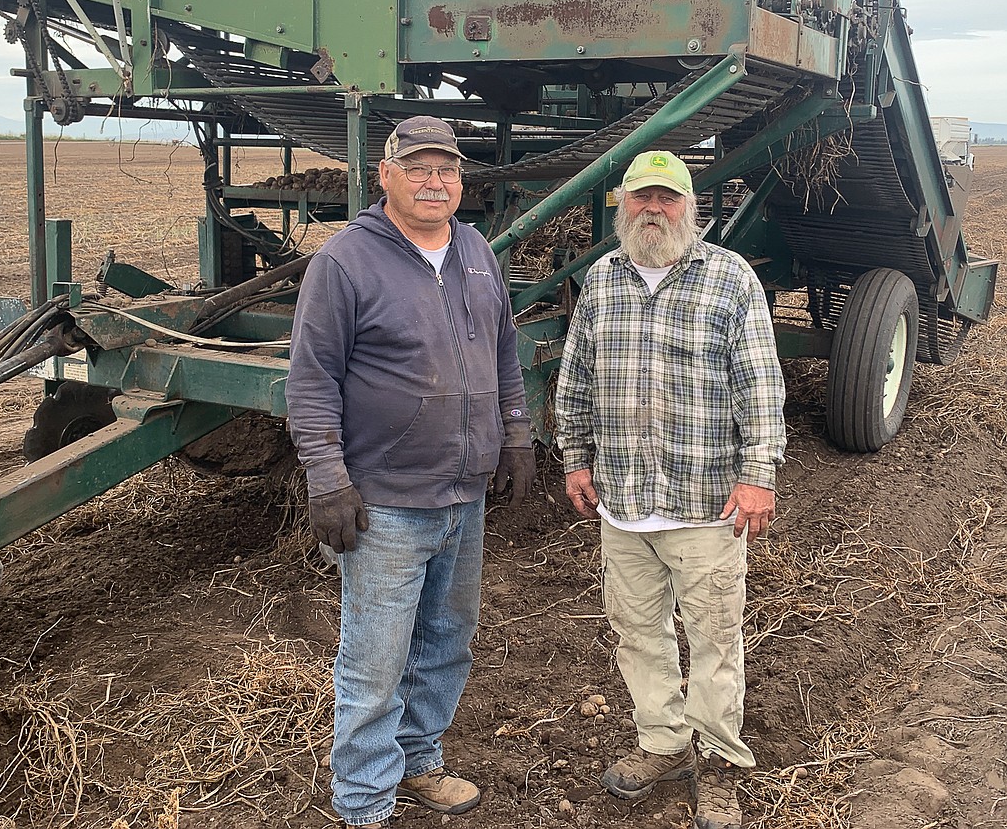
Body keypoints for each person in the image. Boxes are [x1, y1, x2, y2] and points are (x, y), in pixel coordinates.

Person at [286, 114, 537, 829]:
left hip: (464, 495)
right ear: (385, 175)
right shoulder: (345, 261)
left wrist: (516, 436)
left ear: (461, 182)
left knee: (446, 642)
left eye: (447, 169)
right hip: (387, 502)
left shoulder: (478, 252)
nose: (435, 181)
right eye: (419, 167)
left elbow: (504, 356)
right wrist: (327, 478)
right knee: (374, 660)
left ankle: (419, 759)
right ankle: (364, 803)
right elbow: (310, 382)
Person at [554, 149, 786, 829]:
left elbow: (761, 387)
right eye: (641, 198)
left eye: (668, 198)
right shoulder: (601, 280)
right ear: (621, 206)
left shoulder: (729, 280)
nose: (653, 210)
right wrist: (575, 456)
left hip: (706, 503)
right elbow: (577, 378)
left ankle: (718, 762)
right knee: (636, 632)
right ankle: (663, 742)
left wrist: (756, 476)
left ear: (692, 208)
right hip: (623, 504)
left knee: (714, 638)